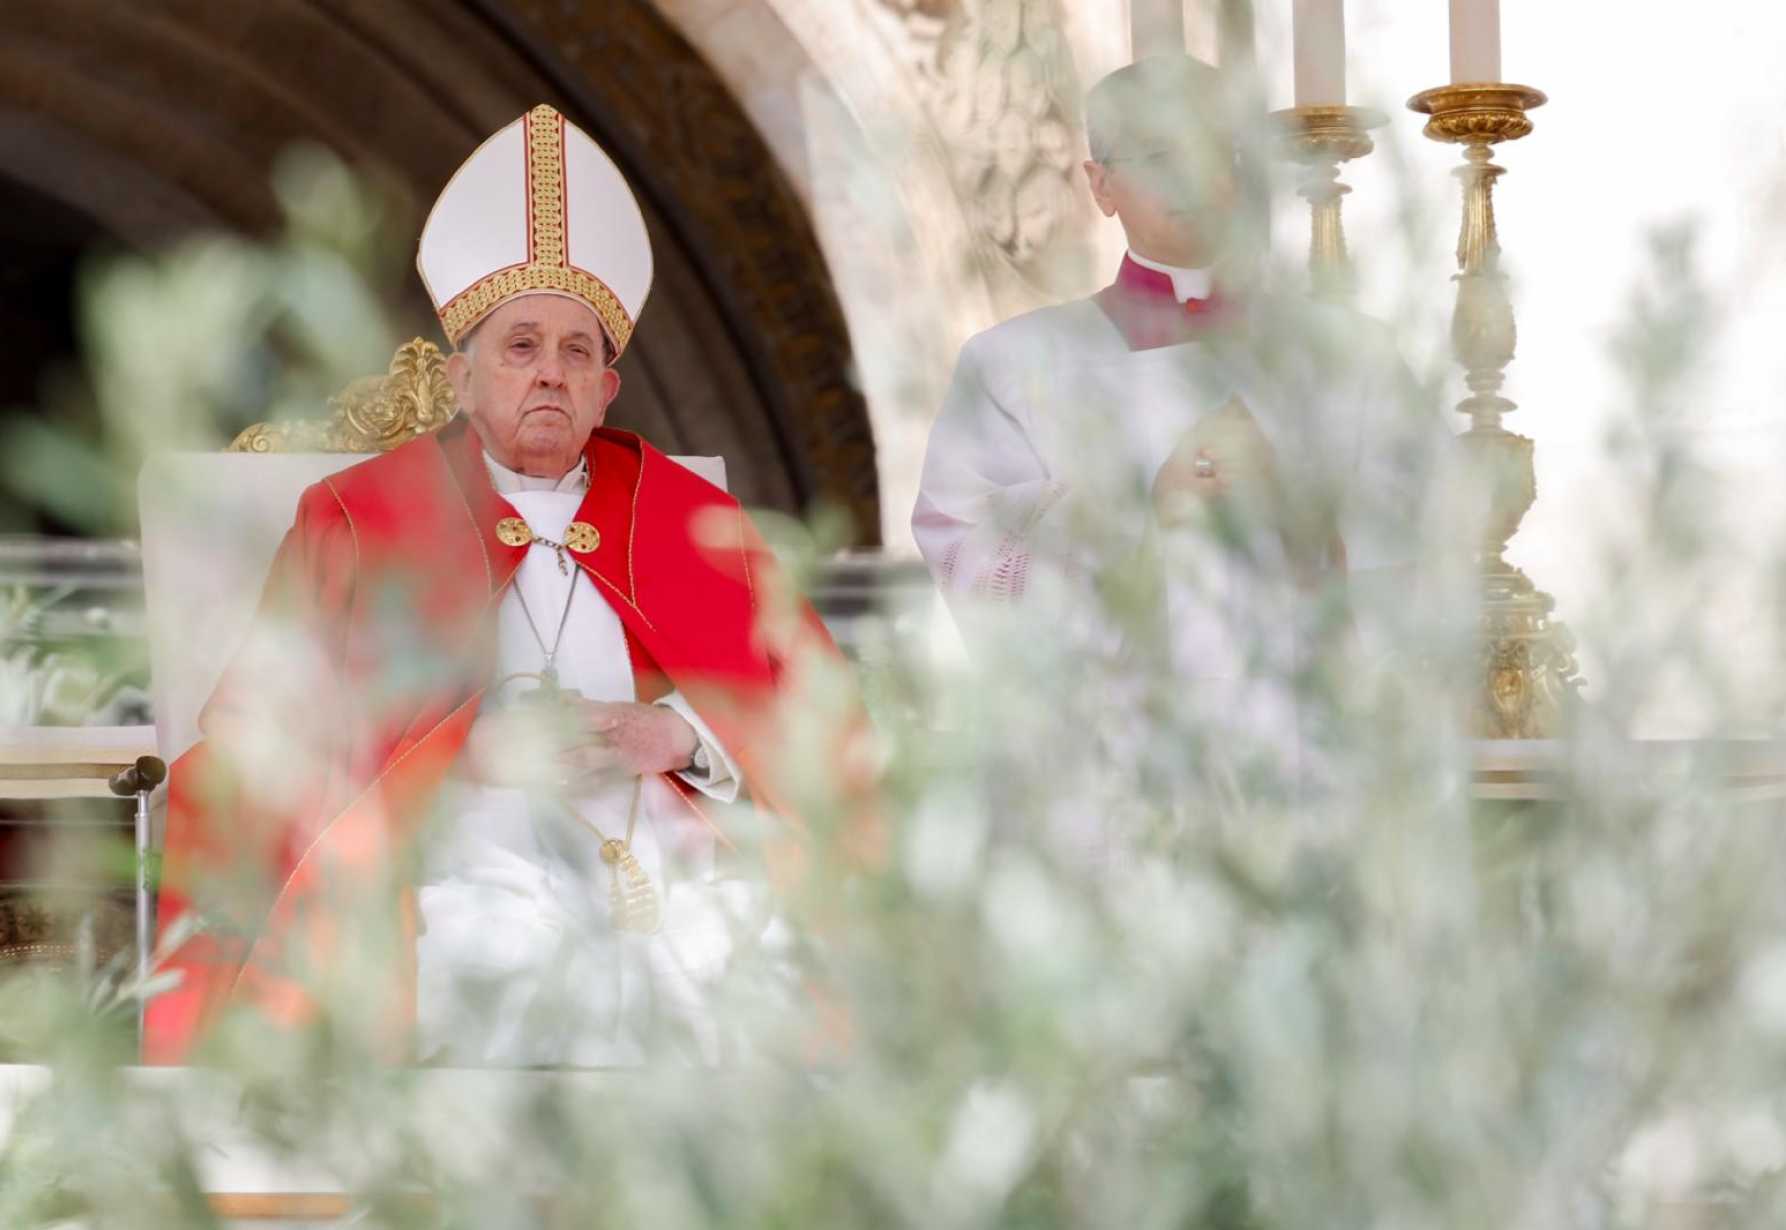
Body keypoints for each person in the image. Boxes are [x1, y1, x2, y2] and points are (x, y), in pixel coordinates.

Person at [144, 105, 849, 1066]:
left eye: (577, 352)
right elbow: (264, 737)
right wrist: (461, 750)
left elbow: (820, 714)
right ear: (460, 376)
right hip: (453, 856)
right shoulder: (361, 516)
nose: (550, 376)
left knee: (756, 959)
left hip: (669, 846)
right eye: (521, 347)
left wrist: (675, 733)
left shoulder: (692, 522)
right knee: (504, 963)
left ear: (609, 386)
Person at [911, 55, 1435, 638]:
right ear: (1101, 183)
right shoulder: (1010, 364)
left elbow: (1435, 534)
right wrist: (1146, 514)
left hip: (1310, 713)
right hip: (1119, 722)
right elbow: (961, 549)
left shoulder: (1354, 355)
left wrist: (1298, 518)